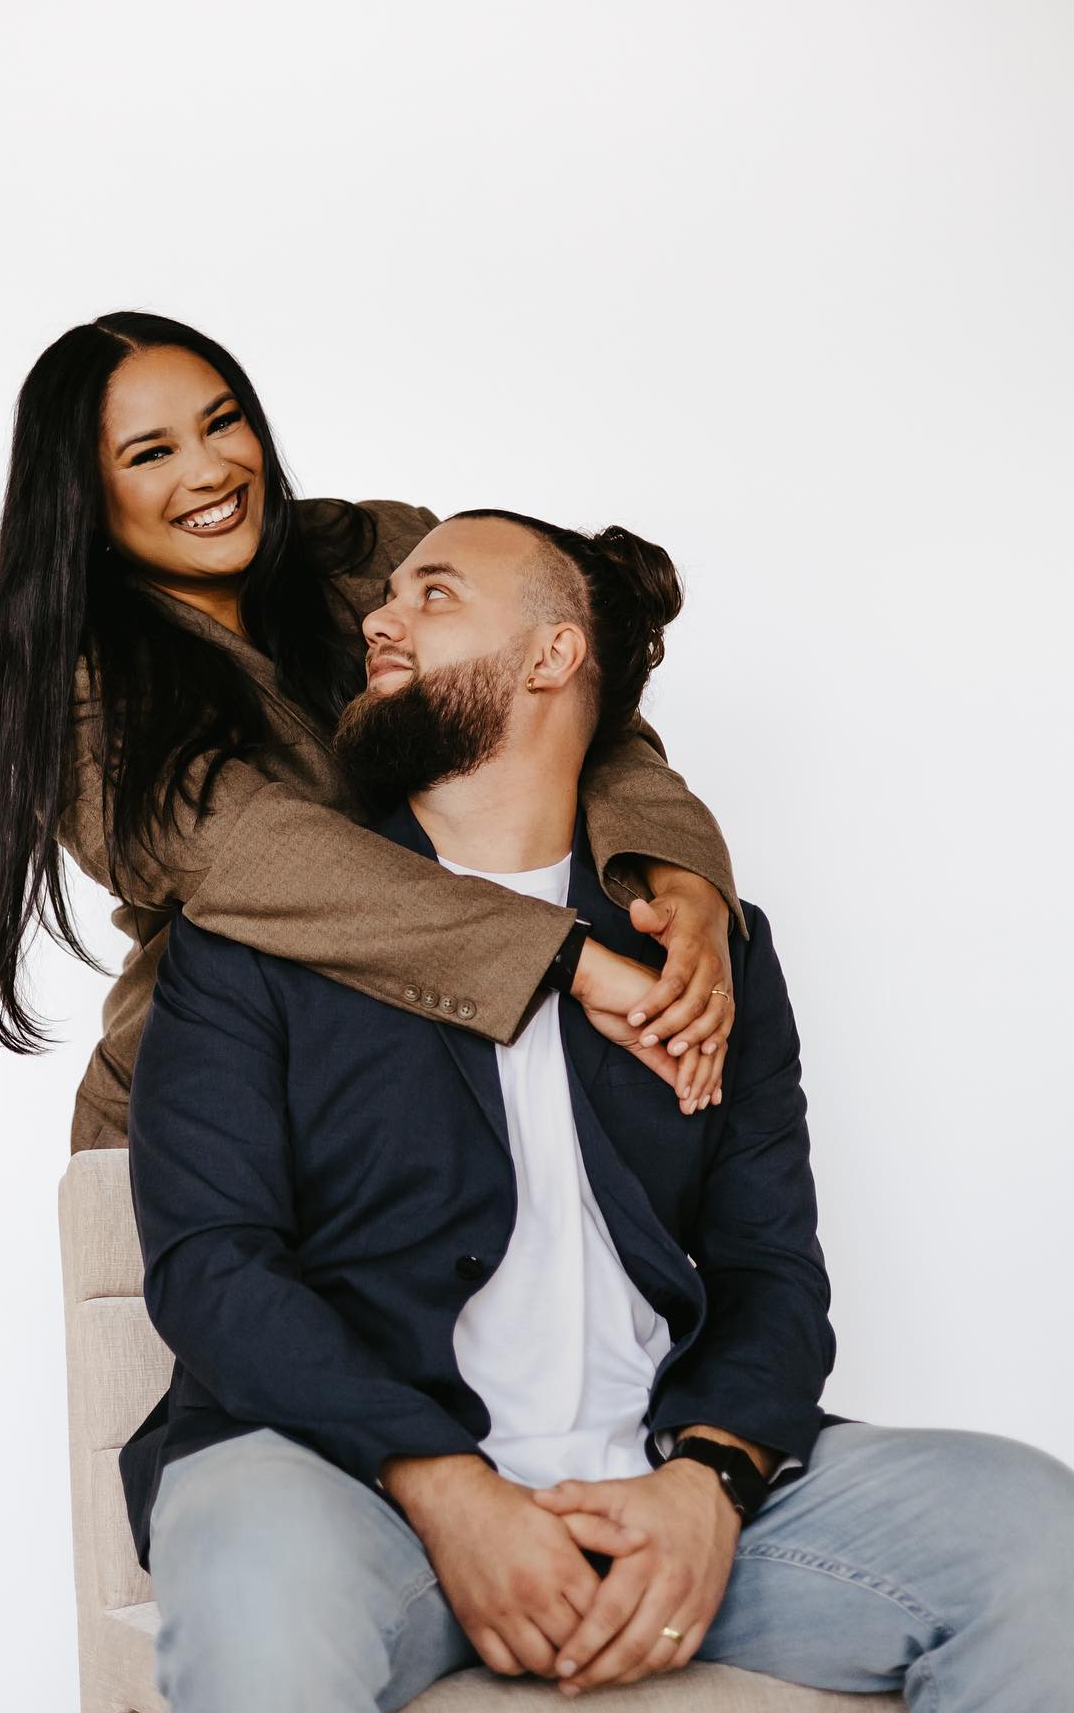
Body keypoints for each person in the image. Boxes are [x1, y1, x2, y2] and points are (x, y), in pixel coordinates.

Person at [124, 510, 1074, 1712]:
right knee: (255, 1576)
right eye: (388, 596)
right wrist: (448, 1486)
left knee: (1032, 1526)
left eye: (435, 596)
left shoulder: (698, 953)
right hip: (349, 1486)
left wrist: (710, 1486)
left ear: (552, 657)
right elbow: (212, 1268)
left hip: (649, 1480)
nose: (379, 617)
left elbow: (770, 1267)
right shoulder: (260, 930)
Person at [0, 311, 745, 1151]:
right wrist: (568, 963)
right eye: (152, 454)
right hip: (207, 1121)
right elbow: (262, 856)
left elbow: (571, 689)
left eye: (224, 422)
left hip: (434, 1106)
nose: (212, 470)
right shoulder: (82, 697)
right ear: (83, 493)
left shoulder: (377, 554)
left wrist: (685, 882)